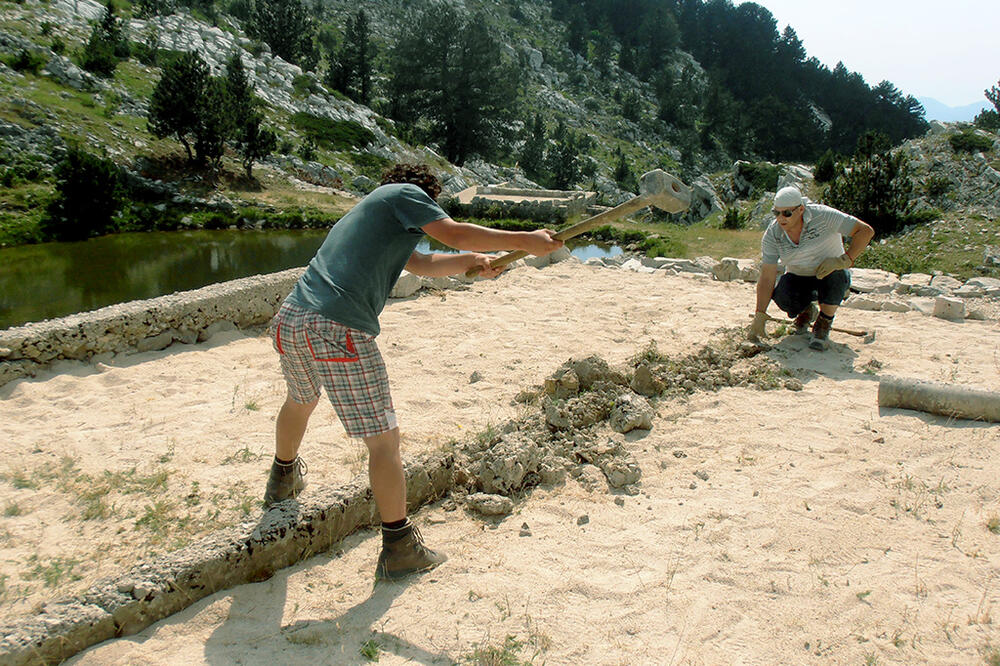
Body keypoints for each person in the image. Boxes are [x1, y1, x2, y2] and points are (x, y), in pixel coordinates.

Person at [262, 163, 563, 581]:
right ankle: (400, 548)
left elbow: (421, 263)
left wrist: (473, 262)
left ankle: (282, 478)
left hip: (293, 317)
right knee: (384, 442)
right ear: (423, 194)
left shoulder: (371, 211)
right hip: (336, 327)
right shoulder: (403, 193)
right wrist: (526, 241)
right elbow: (453, 233)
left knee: (301, 399)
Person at [749, 185, 874, 350]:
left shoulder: (824, 216)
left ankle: (824, 322)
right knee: (782, 296)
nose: (781, 218)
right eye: (776, 213)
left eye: (787, 213)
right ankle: (807, 312)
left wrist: (844, 260)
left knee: (836, 277)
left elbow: (865, 231)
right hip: (799, 276)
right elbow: (767, 276)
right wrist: (760, 314)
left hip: (829, 272)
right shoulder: (773, 234)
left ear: (801, 209)